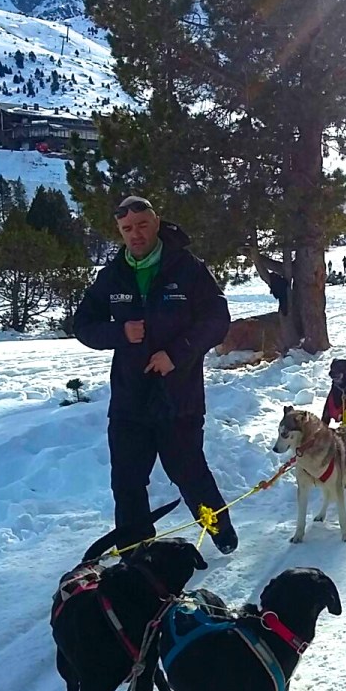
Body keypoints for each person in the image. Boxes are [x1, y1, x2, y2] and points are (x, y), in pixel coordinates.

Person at [74, 196, 238, 553]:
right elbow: (83, 324)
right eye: (127, 229)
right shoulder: (113, 275)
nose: (135, 234)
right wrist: (120, 333)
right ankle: (137, 553)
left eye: (142, 225)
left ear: (156, 222)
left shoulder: (188, 268)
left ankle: (221, 532)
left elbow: (217, 320)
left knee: (189, 474)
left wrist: (177, 354)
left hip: (178, 397)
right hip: (130, 399)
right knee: (128, 482)